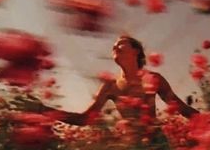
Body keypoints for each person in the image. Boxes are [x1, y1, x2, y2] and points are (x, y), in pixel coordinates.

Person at [17, 35, 199, 125]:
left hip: (157, 146)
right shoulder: (110, 86)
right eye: (113, 47)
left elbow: (181, 108)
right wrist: (43, 110)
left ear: (136, 51)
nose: (115, 47)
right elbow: (84, 119)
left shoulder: (154, 79)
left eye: (120, 44)